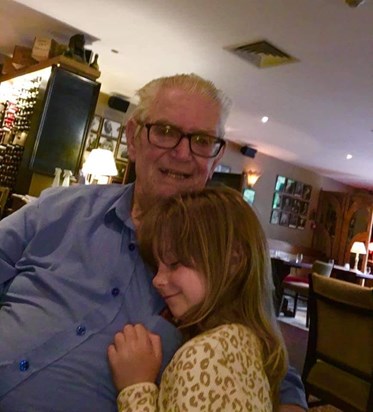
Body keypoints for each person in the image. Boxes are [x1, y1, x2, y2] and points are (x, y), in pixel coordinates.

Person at [0, 73, 307, 411]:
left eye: (202, 140)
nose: (182, 153)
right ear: (133, 138)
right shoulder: (59, 209)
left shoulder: (220, 257)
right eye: (165, 132)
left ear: (215, 159)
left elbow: (271, 365)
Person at [108, 186, 288, 410]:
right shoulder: (245, 340)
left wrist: (136, 387)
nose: (157, 280)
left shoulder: (205, 356)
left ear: (233, 262)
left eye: (174, 263)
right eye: (157, 266)